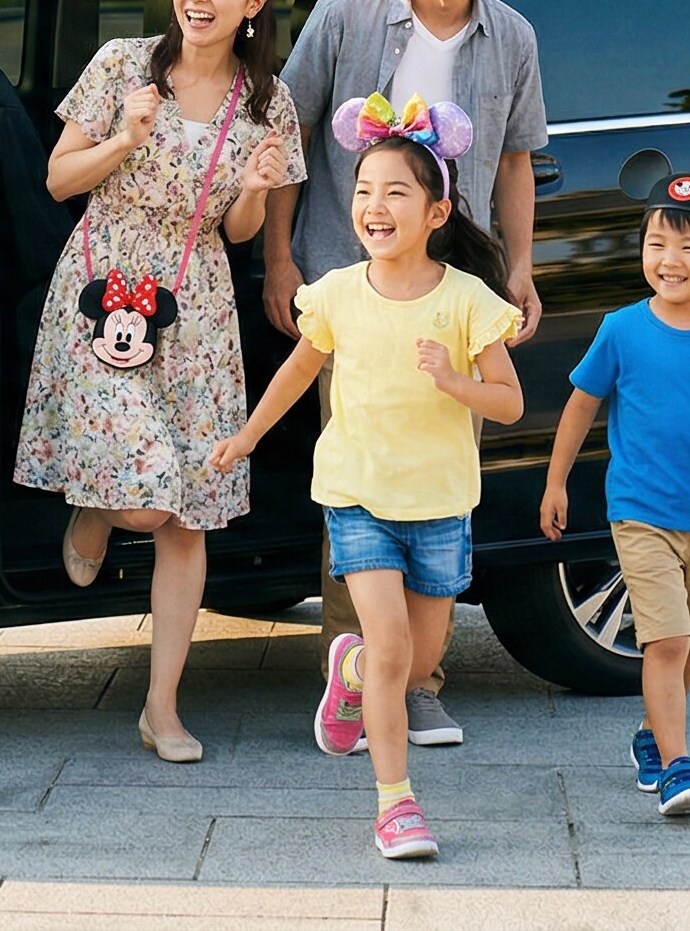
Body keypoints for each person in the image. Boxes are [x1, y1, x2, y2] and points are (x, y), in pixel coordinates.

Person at [263, 0, 550, 747]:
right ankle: (360, 680)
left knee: (443, 479)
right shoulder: (346, 16)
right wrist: (279, 259)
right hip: (350, 283)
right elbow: (288, 145)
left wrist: (518, 268)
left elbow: (513, 163)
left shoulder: (512, 36)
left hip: (455, 288)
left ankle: (421, 677)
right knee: (359, 474)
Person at [13, 0, 303, 765]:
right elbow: (59, 177)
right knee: (152, 489)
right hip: (104, 288)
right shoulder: (122, 65)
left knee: (188, 513)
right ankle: (95, 506)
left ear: (253, 3)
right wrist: (124, 138)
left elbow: (244, 231)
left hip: (197, 306)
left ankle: (162, 707)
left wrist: (252, 190)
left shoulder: (267, 101)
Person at [211, 94, 524, 862]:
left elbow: (510, 404)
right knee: (389, 646)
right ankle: (396, 804)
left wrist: (455, 383)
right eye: (361, 191)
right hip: (356, 496)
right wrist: (246, 437)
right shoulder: (339, 294)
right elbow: (296, 372)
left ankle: (349, 672)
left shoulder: (468, 301)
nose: (373, 206)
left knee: (414, 664)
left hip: (441, 503)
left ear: (437, 211)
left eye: (395, 192)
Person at [538, 151, 690, 819]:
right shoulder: (622, 329)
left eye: (688, 245)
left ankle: (654, 736)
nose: (669, 259)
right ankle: (679, 766)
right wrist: (555, 482)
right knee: (667, 639)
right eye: (656, 243)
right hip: (641, 512)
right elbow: (580, 406)